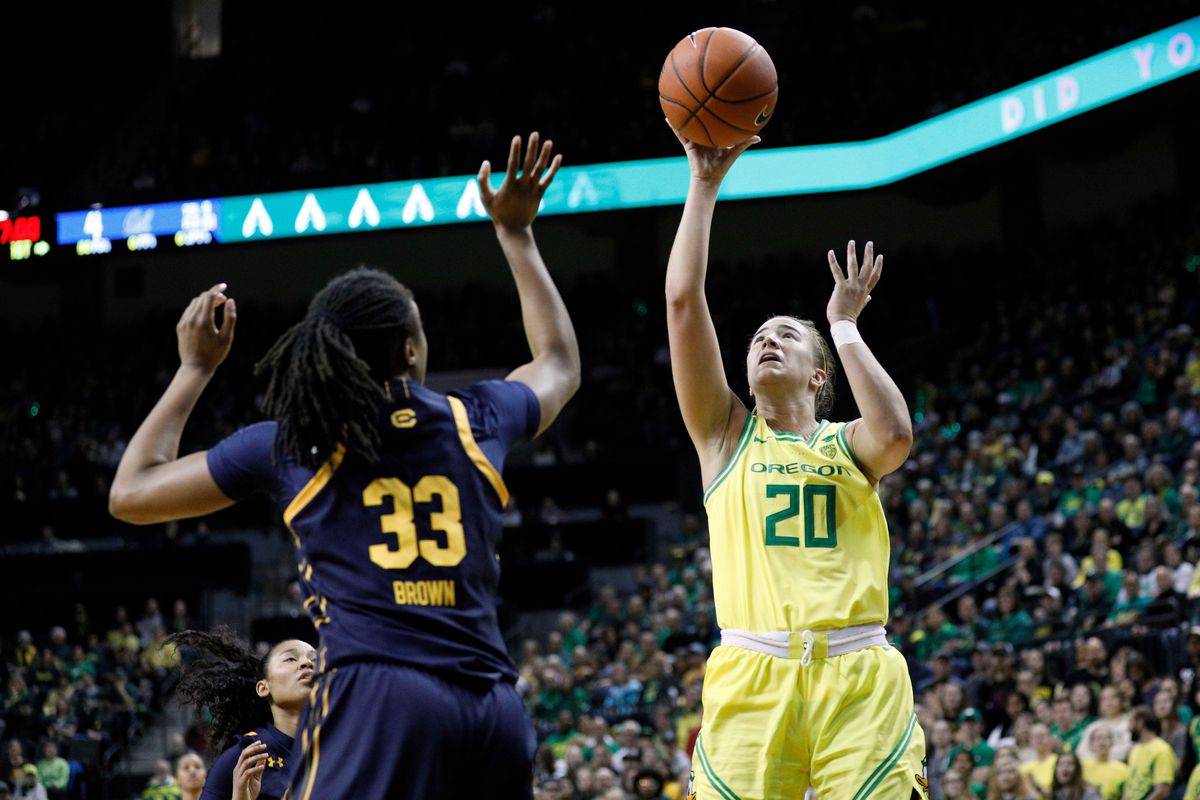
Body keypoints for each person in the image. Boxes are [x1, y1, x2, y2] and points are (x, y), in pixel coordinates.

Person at [109, 132, 580, 799]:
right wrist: (516, 235)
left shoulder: (294, 444)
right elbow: (560, 362)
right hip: (493, 703)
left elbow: (131, 493)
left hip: (379, 696)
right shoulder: (480, 418)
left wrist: (194, 370)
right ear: (413, 349)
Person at [663, 126, 924, 798]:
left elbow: (895, 435)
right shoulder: (724, 437)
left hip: (858, 675)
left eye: (786, 335)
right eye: (757, 337)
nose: (765, 341)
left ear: (818, 376)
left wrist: (843, 324)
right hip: (754, 673)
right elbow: (684, 303)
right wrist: (704, 184)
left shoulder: (847, 444)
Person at [166, 630, 314, 800]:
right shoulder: (242, 758)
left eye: (316, 661)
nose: (307, 663)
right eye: (291, 659)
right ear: (263, 687)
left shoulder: (344, 752)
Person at [1123, 706, 1174, 800]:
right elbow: (1130, 784)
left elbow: (1162, 791)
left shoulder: (1162, 750)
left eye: (1130, 722)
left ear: (1140, 723)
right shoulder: (1135, 750)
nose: (1127, 728)